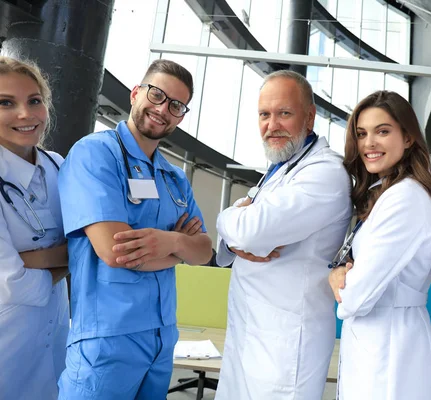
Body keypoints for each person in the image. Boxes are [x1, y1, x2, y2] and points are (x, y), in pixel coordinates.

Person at [57, 59, 213, 399]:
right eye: (157, 95)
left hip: (161, 340)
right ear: (135, 93)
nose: (162, 109)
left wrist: (168, 241)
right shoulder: (95, 154)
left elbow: (204, 251)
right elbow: (116, 251)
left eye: (176, 105)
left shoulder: (174, 177)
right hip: (107, 341)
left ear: (182, 117)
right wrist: (180, 250)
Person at [214, 70, 352, 399]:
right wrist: (239, 228)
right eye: (264, 114)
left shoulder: (325, 173)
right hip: (250, 335)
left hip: (286, 346)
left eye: (284, 113)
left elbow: (247, 231)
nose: (272, 125)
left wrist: (228, 215)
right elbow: (236, 243)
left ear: (310, 116)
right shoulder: (279, 169)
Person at [328, 90, 431, 400]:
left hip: (393, 344)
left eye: (382, 131)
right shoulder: (382, 192)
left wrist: (340, 279)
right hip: (378, 341)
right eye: (362, 134)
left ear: (408, 138)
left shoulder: (405, 198)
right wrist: (345, 272)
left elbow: (355, 296)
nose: (369, 143)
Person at [0, 56, 70, 399]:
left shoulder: (59, 166)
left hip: (55, 334)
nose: (25, 114)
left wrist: (34, 258)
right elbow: (11, 281)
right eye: (6, 103)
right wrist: (72, 255)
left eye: (34, 100)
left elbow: (90, 241)